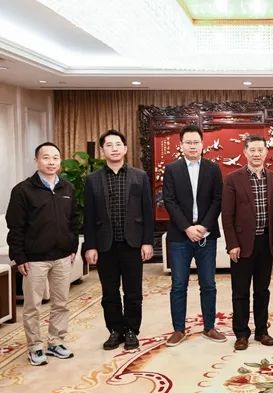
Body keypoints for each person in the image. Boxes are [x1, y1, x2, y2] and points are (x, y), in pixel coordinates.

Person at [6, 142, 79, 366]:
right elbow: (15, 227)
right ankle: (35, 347)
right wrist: (19, 257)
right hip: (34, 259)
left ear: (60, 161)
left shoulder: (67, 188)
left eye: (55, 157)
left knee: (61, 303)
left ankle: (56, 342)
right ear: (36, 161)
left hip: (62, 257)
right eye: (46, 157)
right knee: (32, 307)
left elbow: (74, 221)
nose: (51, 162)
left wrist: (73, 247)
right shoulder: (22, 190)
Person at [83, 130, 154, 351]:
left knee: (133, 292)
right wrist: (90, 245)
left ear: (125, 148)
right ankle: (115, 330)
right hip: (105, 245)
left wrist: (147, 241)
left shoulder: (139, 176)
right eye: (109, 145)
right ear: (102, 150)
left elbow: (147, 211)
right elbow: (89, 216)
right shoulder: (93, 180)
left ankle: (131, 330)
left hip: (132, 244)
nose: (114, 148)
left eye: (118, 144)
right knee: (109, 292)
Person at [162, 124, 225, 346]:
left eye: (196, 142)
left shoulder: (213, 169)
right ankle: (178, 329)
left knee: (208, 284)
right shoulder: (172, 169)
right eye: (188, 142)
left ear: (202, 144)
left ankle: (209, 327)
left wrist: (204, 227)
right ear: (181, 145)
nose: (192, 146)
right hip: (180, 236)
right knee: (179, 285)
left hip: (207, 235)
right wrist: (187, 228)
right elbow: (169, 201)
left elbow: (218, 200)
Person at [221, 135, 273, 351]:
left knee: (262, 290)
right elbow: (227, 215)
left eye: (260, 150)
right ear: (245, 153)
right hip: (241, 244)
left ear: (266, 153)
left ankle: (261, 331)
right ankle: (241, 333)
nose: (257, 154)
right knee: (240, 291)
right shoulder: (232, 179)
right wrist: (232, 244)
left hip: (266, 242)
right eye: (252, 150)